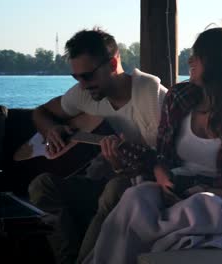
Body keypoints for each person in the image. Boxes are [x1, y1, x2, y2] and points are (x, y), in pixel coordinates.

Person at [84, 27, 222, 264]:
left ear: (218, 62)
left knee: (201, 204)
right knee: (136, 195)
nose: (190, 60)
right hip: (176, 186)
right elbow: (161, 157)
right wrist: (161, 174)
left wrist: (206, 191)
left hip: (221, 197)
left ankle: (158, 242)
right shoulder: (179, 98)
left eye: (198, 56)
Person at [28, 28, 167, 264]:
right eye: (76, 78)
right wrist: (51, 130)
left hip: (146, 186)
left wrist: (121, 166)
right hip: (110, 178)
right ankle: (68, 258)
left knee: (115, 186)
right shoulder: (86, 94)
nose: (82, 85)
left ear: (113, 64)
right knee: (42, 185)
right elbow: (40, 113)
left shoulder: (152, 97)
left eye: (88, 76)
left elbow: (168, 163)